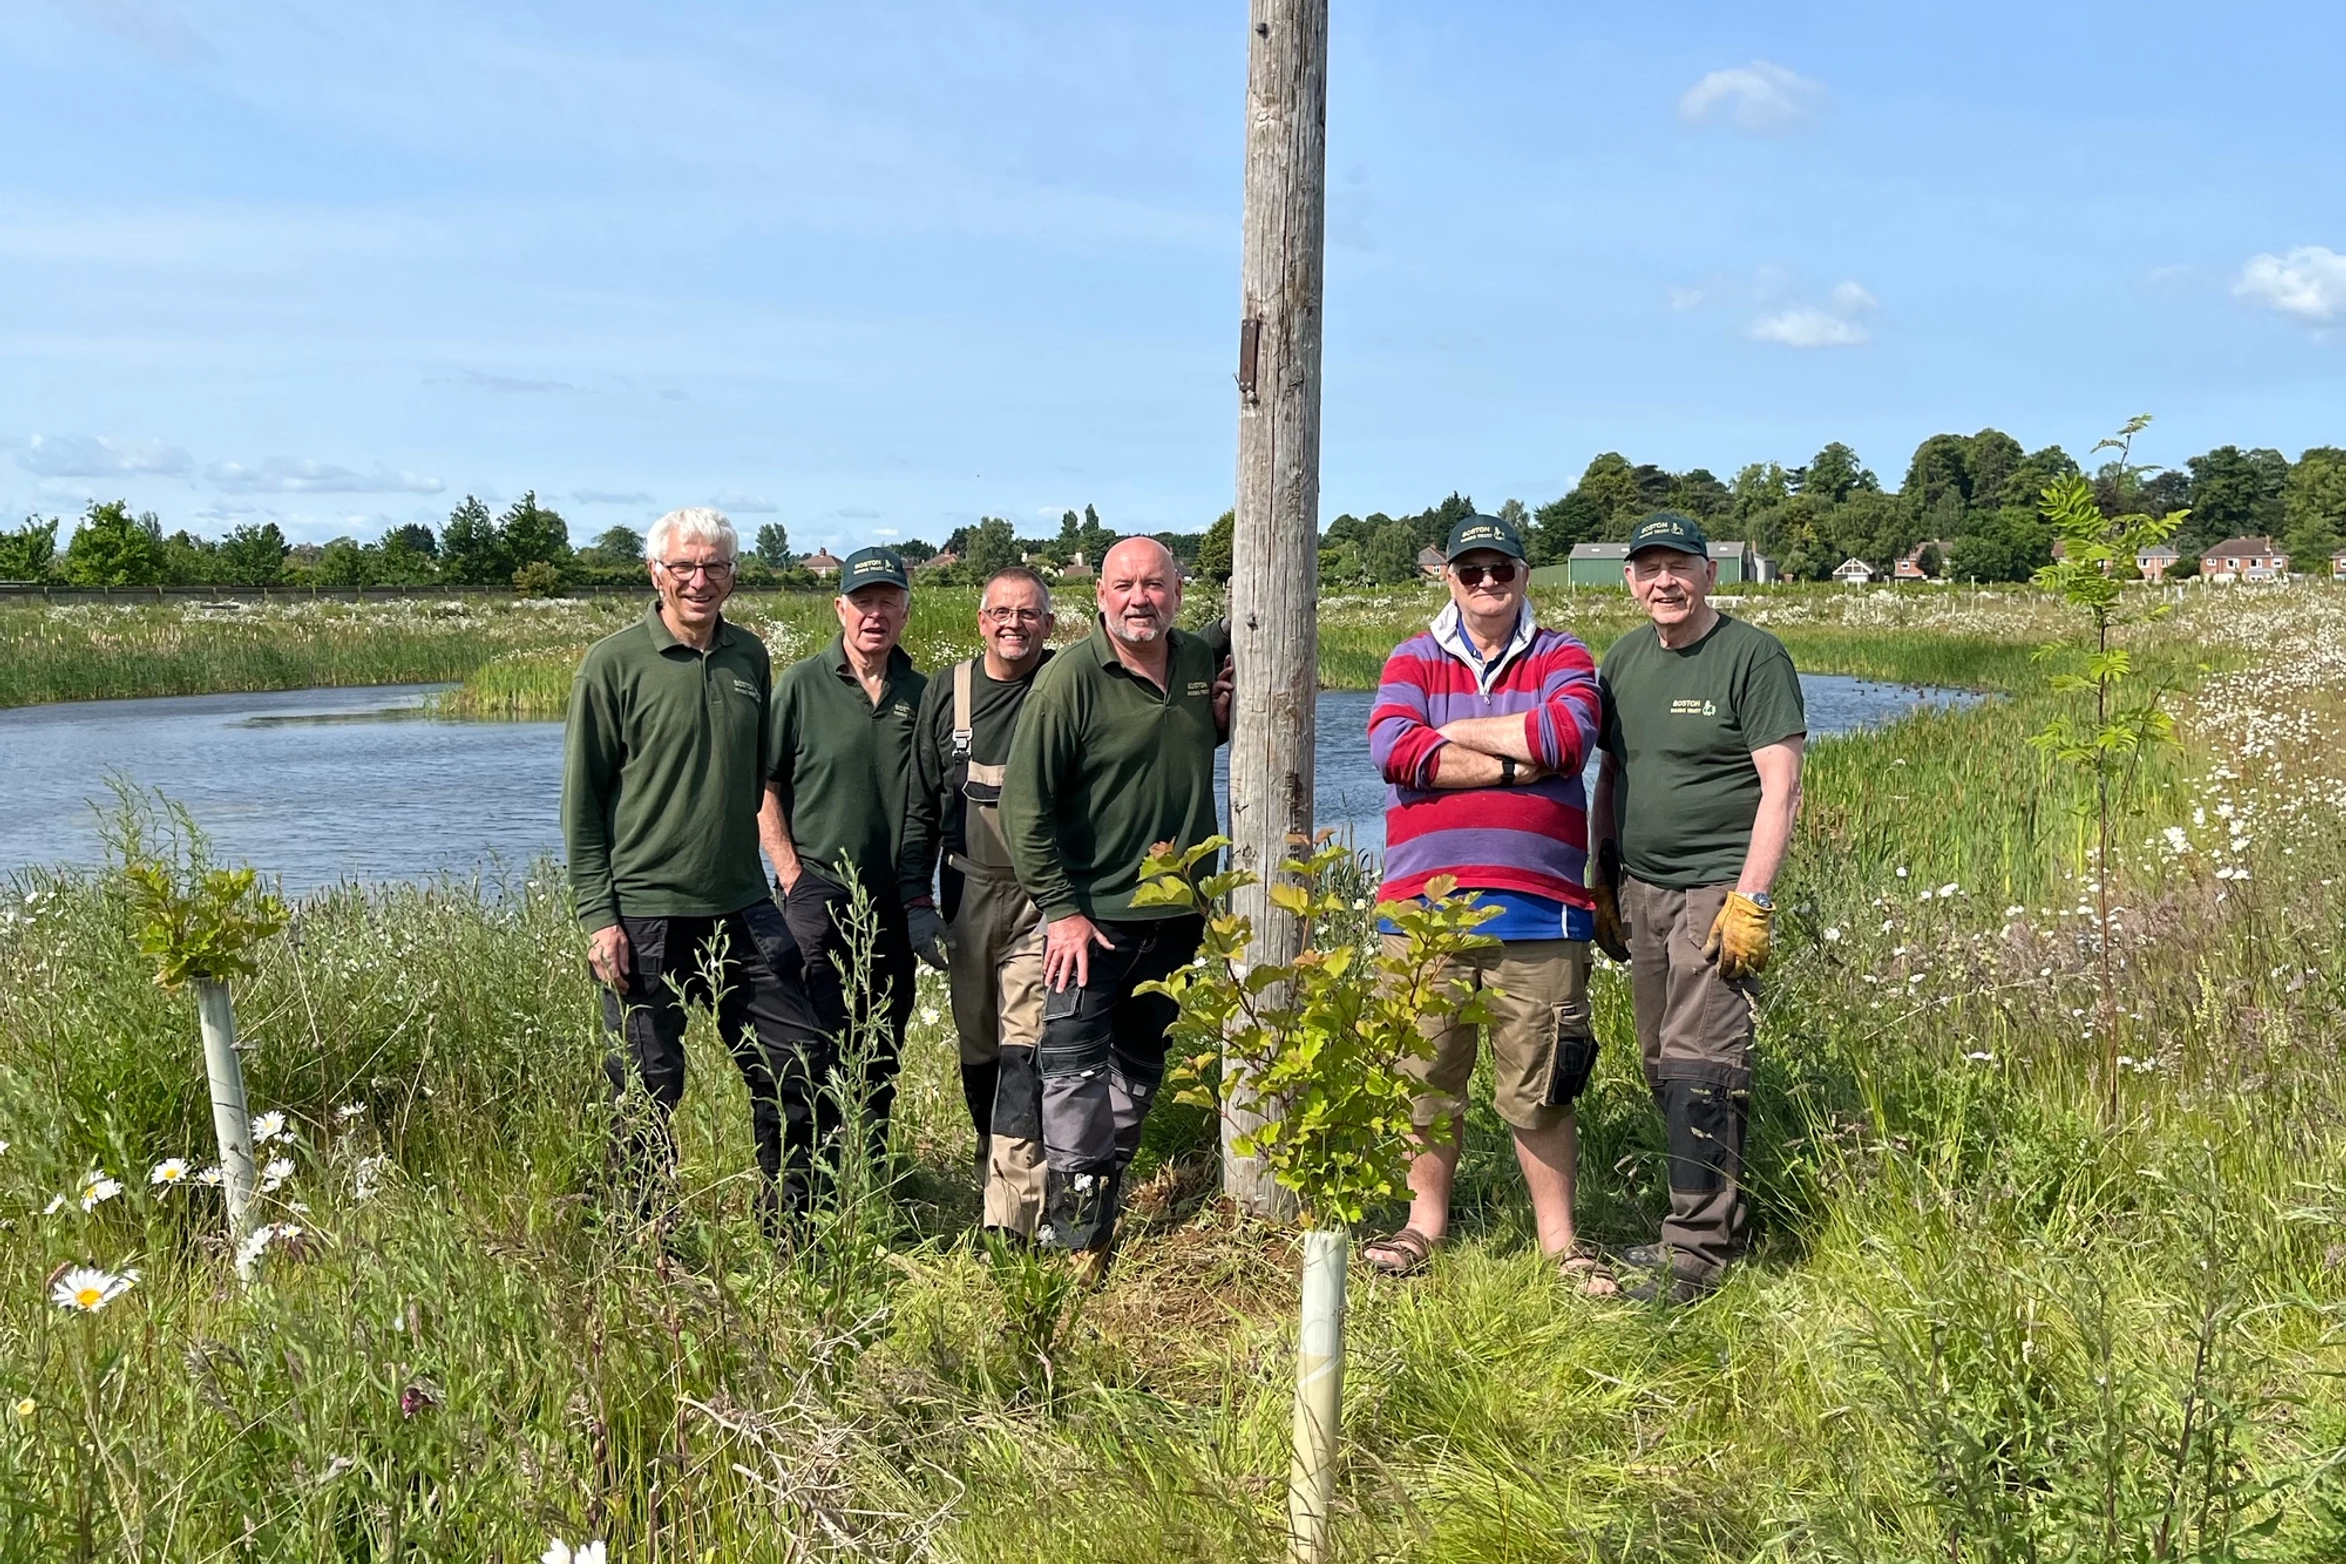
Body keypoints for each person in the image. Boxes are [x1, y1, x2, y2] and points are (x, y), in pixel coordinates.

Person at [1362, 512, 1612, 1291]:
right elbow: (1393, 749)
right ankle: (1422, 1225)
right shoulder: (1411, 657)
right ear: (1451, 579)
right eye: (1471, 571)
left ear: (1523, 575)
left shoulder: (1565, 652)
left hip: (1542, 910)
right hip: (1425, 910)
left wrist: (1454, 739)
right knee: (1424, 1070)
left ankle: (1559, 1242)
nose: (1486, 583)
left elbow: (1568, 737)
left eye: (1500, 569)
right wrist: (1513, 766)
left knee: (1542, 1083)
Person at [561, 505, 828, 1229]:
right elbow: (582, 806)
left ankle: (793, 1231)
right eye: (684, 566)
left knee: (794, 1060)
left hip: (741, 902)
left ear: (733, 576)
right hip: (644, 911)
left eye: (714, 567)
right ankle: (646, 1243)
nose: (699, 580)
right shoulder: (612, 665)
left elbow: (752, 783)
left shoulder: (749, 658)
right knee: (648, 1084)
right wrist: (599, 919)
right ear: (657, 572)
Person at [1591, 512, 1805, 1304]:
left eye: (1679, 566)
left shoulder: (1752, 657)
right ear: (1630, 582)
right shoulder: (1623, 660)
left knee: (1702, 1063)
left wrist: (1750, 899)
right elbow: (1610, 777)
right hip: (1642, 886)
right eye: (1648, 568)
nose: (1664, 582)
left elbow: (1780, 787)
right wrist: (1601, 874)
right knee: (1658, 1059)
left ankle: (1698, 1258)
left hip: (1716, 889)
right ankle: (1708, 1219)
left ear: (1711, 573)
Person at [1001, 535, 1230, 1276]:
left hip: (1176, 920)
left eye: (1155, 585)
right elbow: (1023, 807)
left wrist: (1224, 720)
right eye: (1125, 586)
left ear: (1178, 593)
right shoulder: (1069, 679)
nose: (1141, 599)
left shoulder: (1198, 663)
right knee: (1071, 1079)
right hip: (1088, 923)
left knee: (1135, 1076)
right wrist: (1061, 910)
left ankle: (1102, 1205)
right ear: (1100, 596)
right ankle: (1076, 1244)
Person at [897, 565, 1058, 1240]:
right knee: (980, 1048)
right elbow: (918, 800)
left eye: (1029, 614)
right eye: (1002, 613)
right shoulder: (948, 691)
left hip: (1041, 897)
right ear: (981, 620)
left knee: (1028, 1048)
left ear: (1049, 625)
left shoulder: (1068, 681)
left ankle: (1013, 1217)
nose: (1014, 625)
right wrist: (914, 899)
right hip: (964, 890)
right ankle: (995, 1160)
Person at [761, 545, 929, 1152]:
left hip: (894, 896)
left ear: (905, 613)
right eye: (862, 602)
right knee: (813, 1039)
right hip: (817, 893)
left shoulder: (923, 692)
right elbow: (766, 786)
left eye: (888, 602)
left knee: (883, 1039)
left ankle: (871, 1167)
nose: (874, 615)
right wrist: (790, 875)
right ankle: (817, 1174)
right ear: (840, 608)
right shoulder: (802, 685)